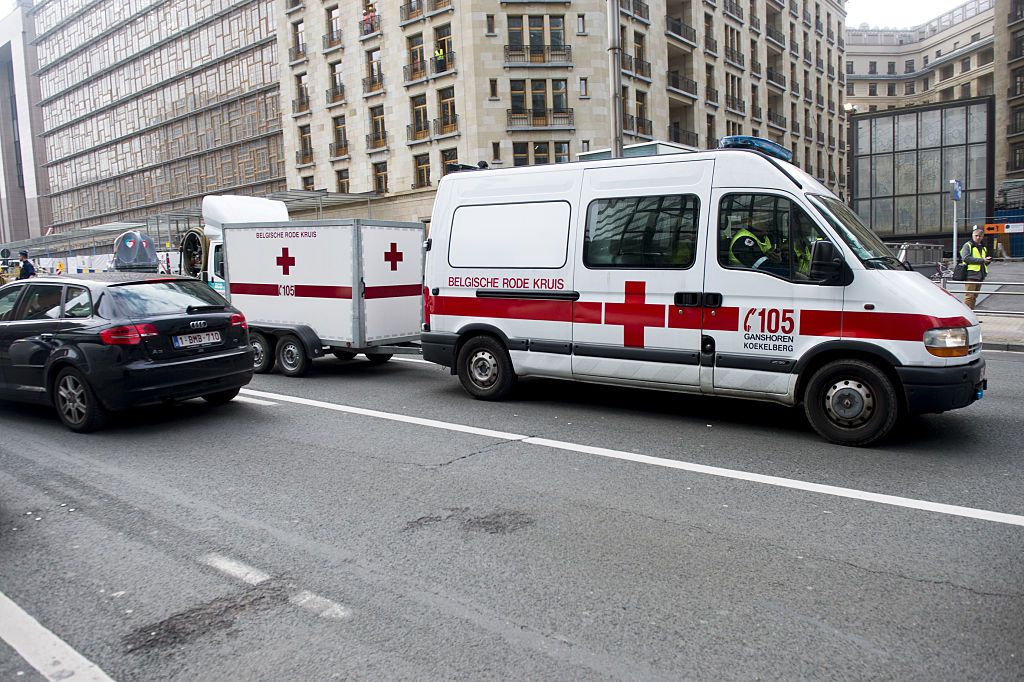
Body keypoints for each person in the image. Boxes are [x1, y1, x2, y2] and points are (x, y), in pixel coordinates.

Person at [960, 226, 991, 310]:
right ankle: (966, 316)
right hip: (971, 274)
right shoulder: (968, 245)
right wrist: (982, 260)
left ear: (982, 237)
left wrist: (987, 261)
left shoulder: (983, 247)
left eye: (980, 236)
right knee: (969, 297)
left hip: (980, 275)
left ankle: (972, 315)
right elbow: (966, 258)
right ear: (972, 235)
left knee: (974, 297)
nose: (978, 237)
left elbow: (982, 261)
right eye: (976, 235)